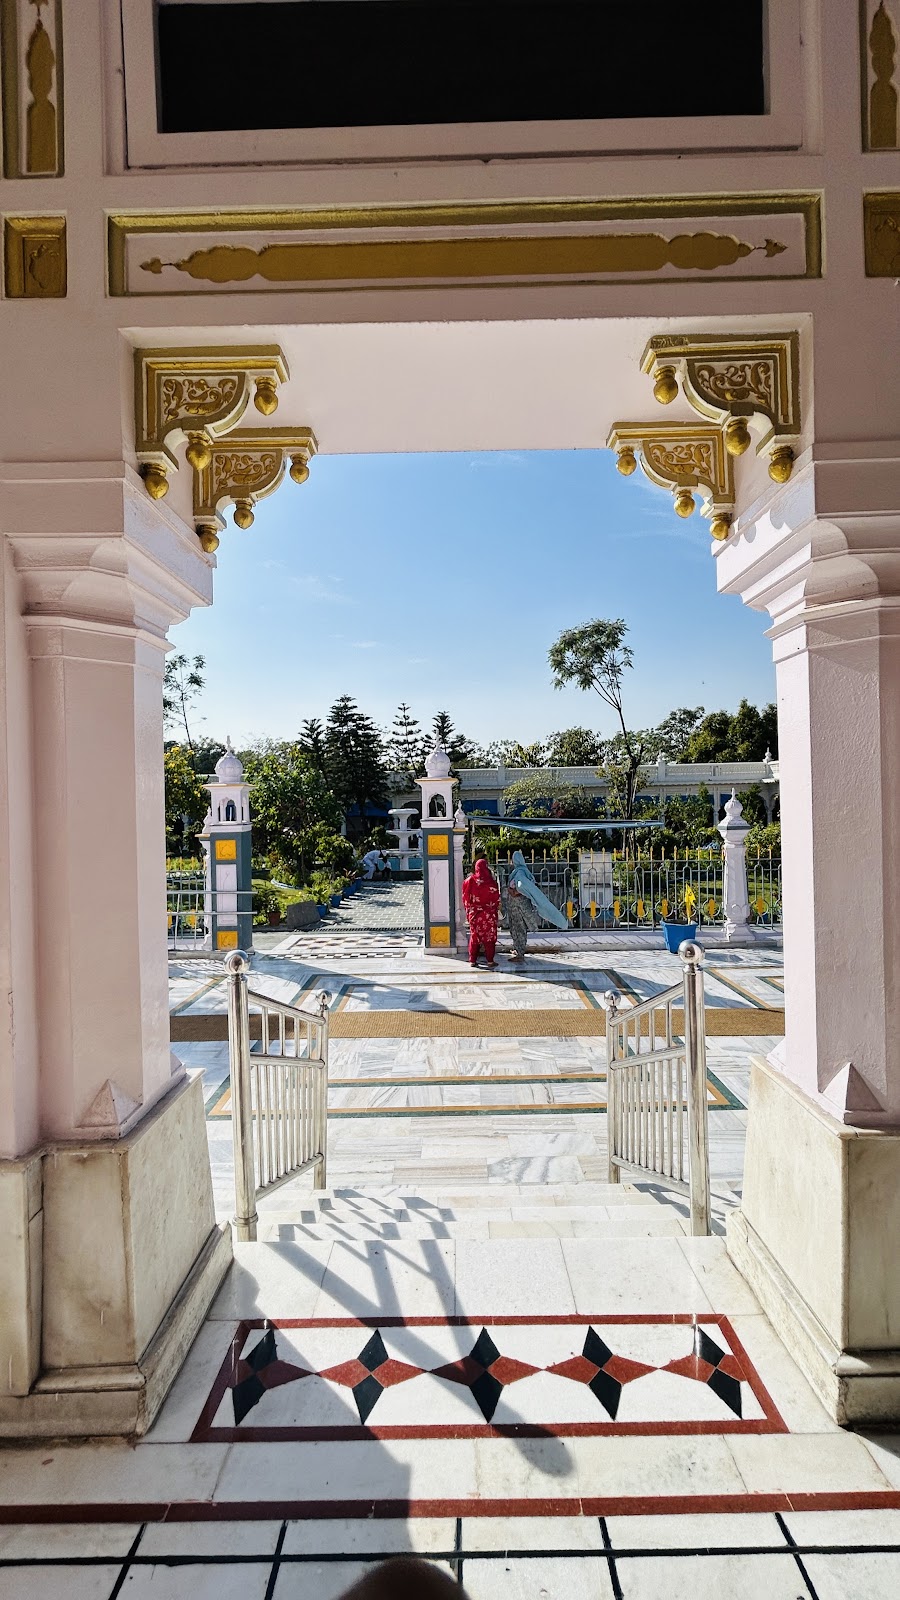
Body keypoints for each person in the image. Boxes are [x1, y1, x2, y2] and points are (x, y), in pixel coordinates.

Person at [505, 848, 569, 961]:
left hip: (518, 906)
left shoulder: (520, 872)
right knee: (518, 927)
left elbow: (520, 886)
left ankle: (519, 953)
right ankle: (518, 949)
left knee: (518, 927)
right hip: (519, 905)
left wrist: (513, 892)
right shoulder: (523, 871)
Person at [461, 857, 501, 968]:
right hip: (489, 915)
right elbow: (496, 898)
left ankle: (472, 960)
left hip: (475, 914)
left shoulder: (470, 881)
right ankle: (490, 961)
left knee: (475, 937)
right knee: (489, 937)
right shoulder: (491, 882)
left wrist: (469, 910)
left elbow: (465, 897)